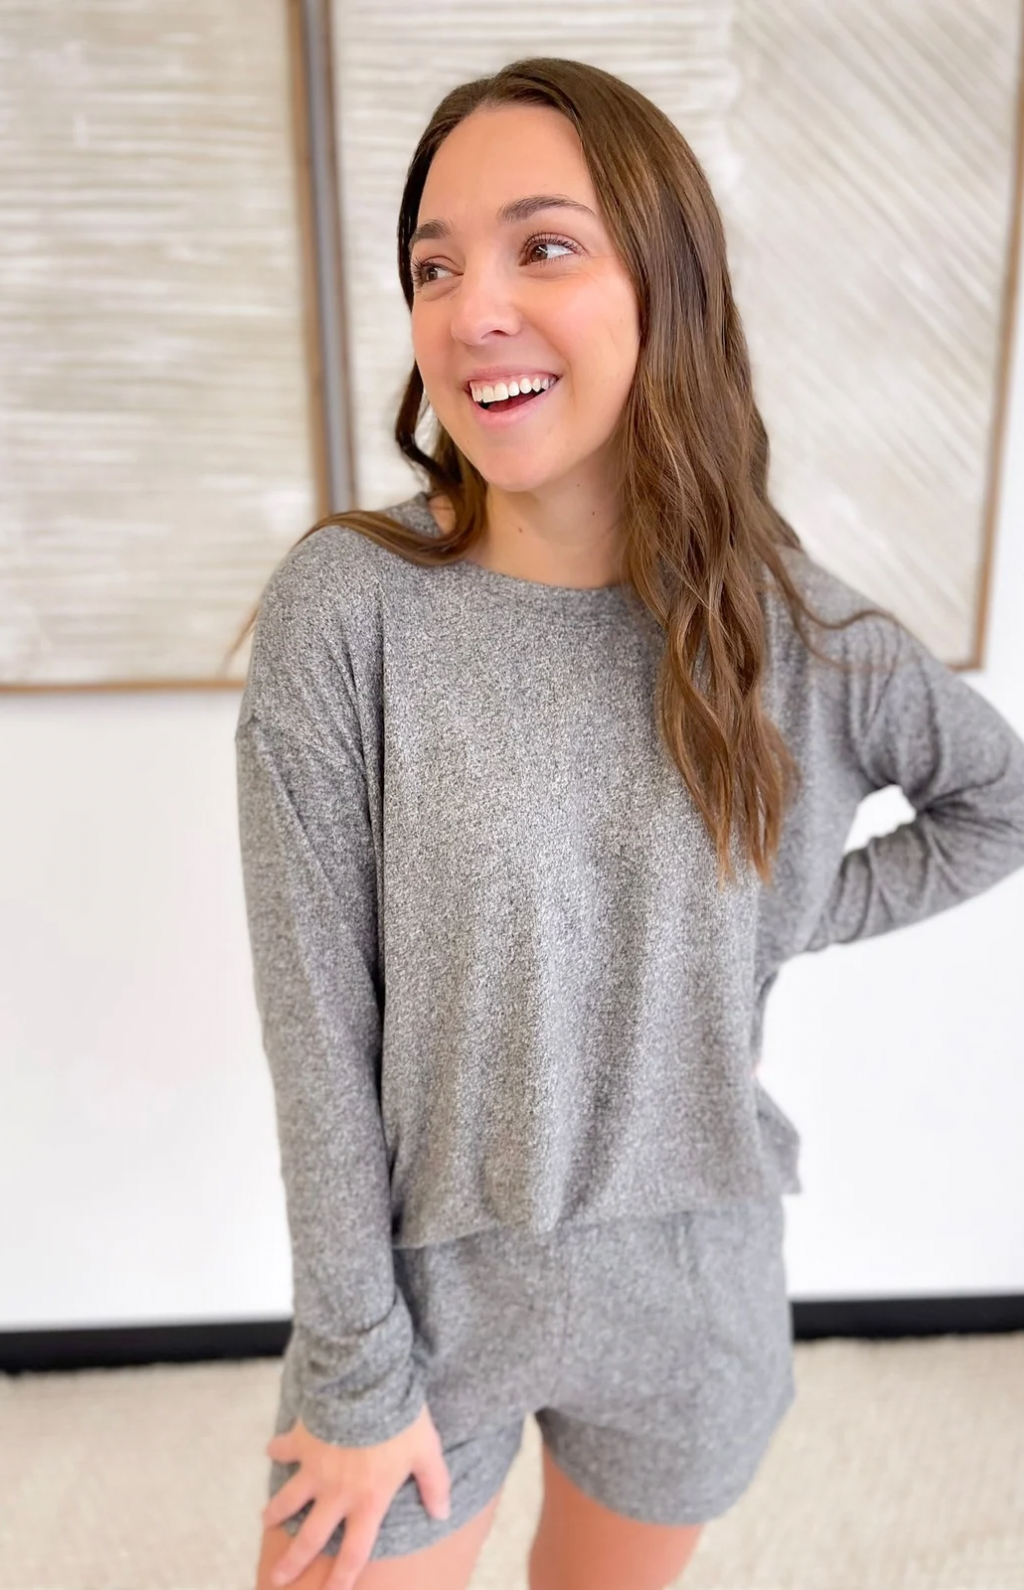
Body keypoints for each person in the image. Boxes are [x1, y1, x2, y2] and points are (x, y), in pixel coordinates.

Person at [231, 56, 1024, 1590]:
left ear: (667, 285)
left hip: (693, 1292)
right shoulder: (353, 609)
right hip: (425, 1305)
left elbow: (997, 801)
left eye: (543, 246)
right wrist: (352, 1369)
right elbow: (315, 1025)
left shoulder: (795, 631)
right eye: (434, 267)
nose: (474, 310)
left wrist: (787, 909)